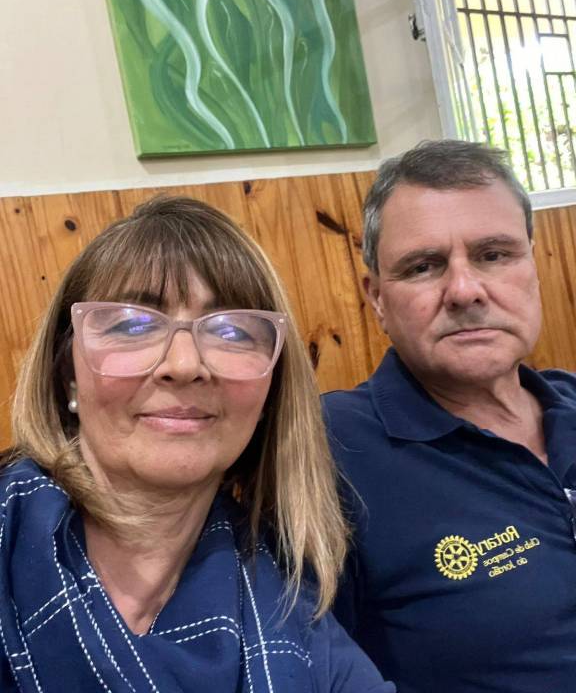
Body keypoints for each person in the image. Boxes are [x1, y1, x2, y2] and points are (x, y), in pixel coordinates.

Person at [0, 196, 394, 693]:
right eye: (132, 325)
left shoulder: (296, 623)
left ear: (270, 391)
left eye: (232, 332)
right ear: (67, 376)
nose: (185, 365)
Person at [323, 140, 576, 693]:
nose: (464, 291)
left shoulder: (570, 403)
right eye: (423, 267)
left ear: (533, 266)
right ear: (377, 298)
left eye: (494, 255)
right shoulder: (330, 449)